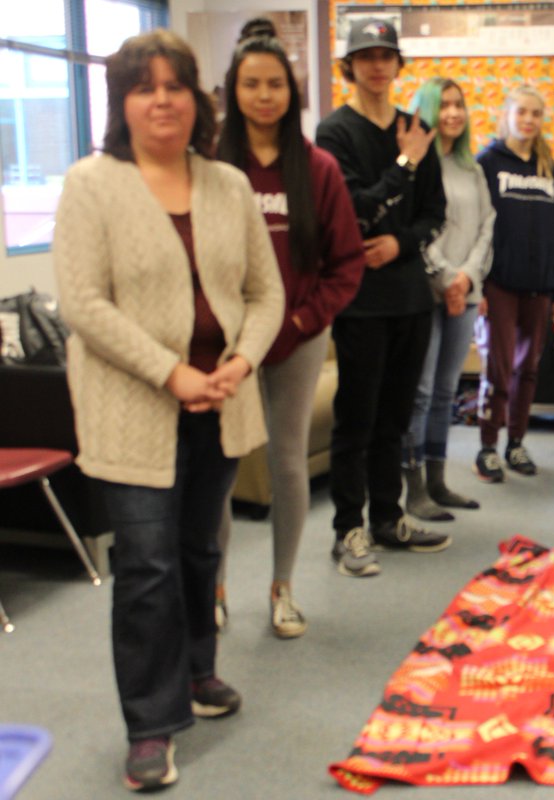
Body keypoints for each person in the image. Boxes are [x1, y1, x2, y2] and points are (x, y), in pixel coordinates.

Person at [52, 30, 284, 791]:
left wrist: (242, 360)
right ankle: (150, 726)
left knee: (198, 551)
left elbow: (264, 290)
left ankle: (196, 672)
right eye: (145, 87)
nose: (162, 100)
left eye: (176, 86)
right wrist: (171, 373)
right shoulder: (92, 183)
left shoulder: (227, 185)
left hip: (219, 404)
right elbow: (83, 303)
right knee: (146, 565)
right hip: (133, 407)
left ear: (197, 99)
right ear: (123, 102)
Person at [213, 29, 365, 638]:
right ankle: (215, 589)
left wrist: (304, 321)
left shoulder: (318, 169)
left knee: (286, 461)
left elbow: (346, 263)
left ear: (291, 92)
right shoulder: (214, 167)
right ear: (234, 91)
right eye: (251, 84)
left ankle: (283, 589)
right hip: (225, 344)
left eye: (275, 84)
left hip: (297, 338)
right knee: (220, 466)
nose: (263, 95)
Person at [315, 18, 449, 578]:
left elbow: (433, 214)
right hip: (360, 300)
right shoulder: (335, 133)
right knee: (357, 419)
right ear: (350, 65)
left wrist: (400, 242)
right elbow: (351, 211)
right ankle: (349, 528)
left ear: (398, 65)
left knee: (395, 419)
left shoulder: (417, 128)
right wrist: (404, 164)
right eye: (365, 56)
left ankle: (389, 518)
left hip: (411, 296)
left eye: (385, 56)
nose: (376, 66)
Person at [402, 77, 495, 507]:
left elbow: (486, 228)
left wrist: (467, 278)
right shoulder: (414, 166)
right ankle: (414, 488)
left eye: (459, 104)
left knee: (445, 391)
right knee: (418, 392)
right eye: (444, 105)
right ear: (426, 111)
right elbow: (416, 230)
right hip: (423, 293)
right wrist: (445, 278)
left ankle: (438, 481)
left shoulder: (472, 168)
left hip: (465, 294)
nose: (454, 113)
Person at [473, 85, 554, 482]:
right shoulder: (488, 162)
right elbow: (477, 227)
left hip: (540, 286)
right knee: (497, 370)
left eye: (536, 114)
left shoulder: (549, 167)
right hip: (498, 284)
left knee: (528, 369)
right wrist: (478, 285)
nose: (529, 120)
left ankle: (516, 443)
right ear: (507, 114)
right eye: (522, 112)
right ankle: (487, 447)